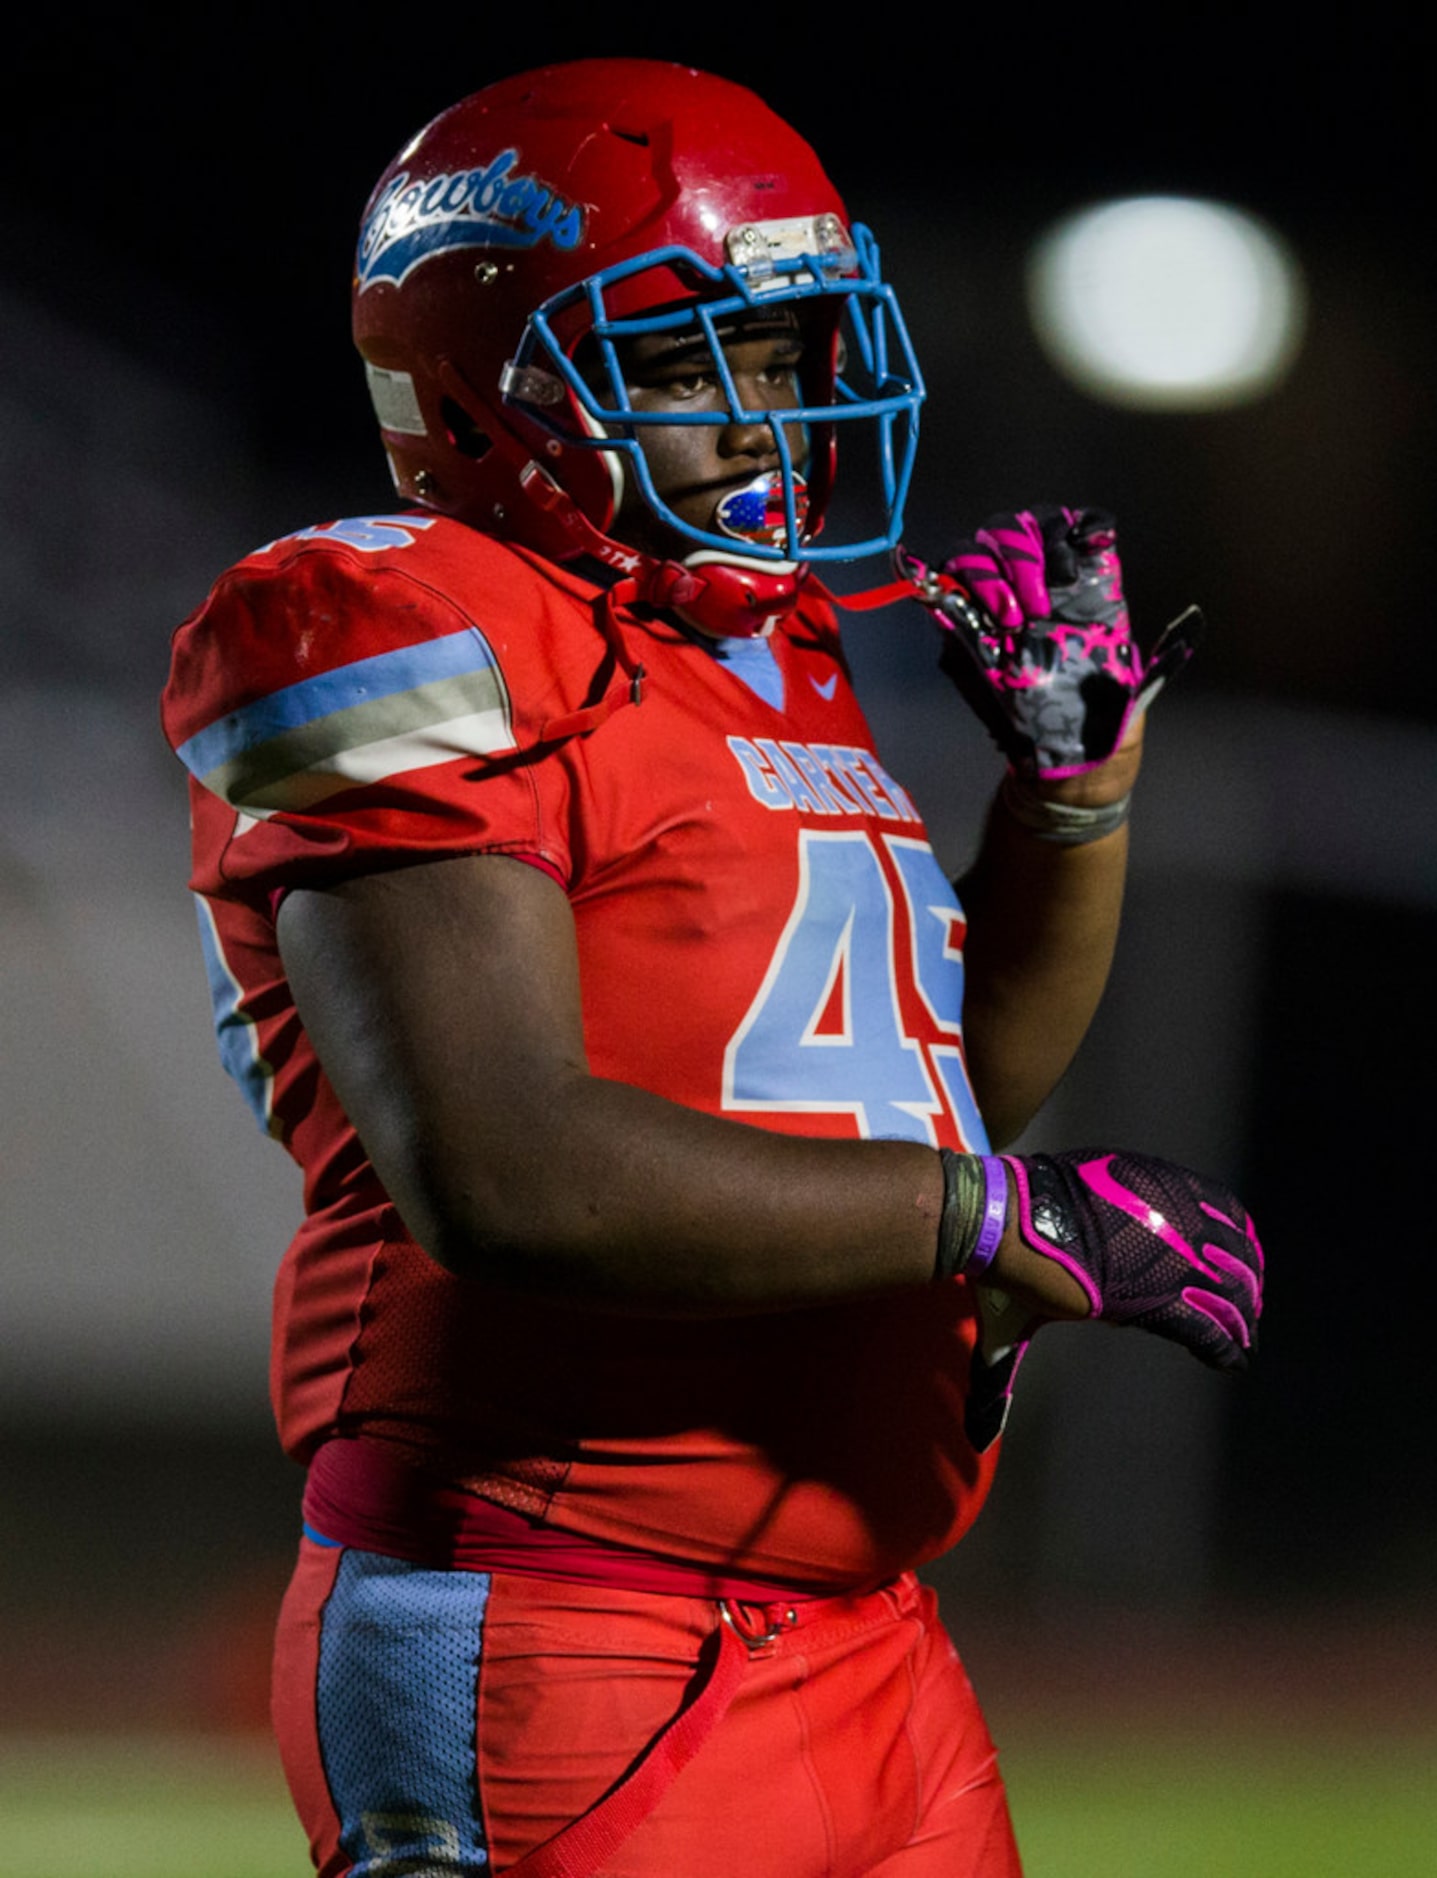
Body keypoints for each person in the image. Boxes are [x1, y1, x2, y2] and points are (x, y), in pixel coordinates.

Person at [162, 59, 1262, 1877]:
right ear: (475, 388)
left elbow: (937, 1100)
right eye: (682, 367)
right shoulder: (395, 616)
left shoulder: (767, 651)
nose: (759, 420)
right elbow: (505, 1166)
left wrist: (1070, 811)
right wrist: (995, 1221)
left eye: (778, 352)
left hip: (871, 1627)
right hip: (557, 1618)